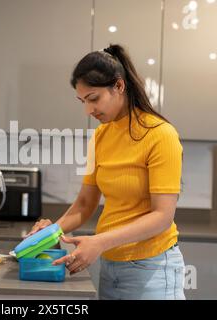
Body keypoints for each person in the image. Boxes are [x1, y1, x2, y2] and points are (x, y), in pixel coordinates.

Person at [25, 44, 186, 300]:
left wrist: (99, 242)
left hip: (151, 268)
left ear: (119, 86)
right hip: (111, 265)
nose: (88, 110)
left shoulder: (160, 135)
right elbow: (84, 204)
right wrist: (49, 233)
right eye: (83, 101)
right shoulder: (101, 136)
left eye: (93, 99)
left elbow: (162, 216)